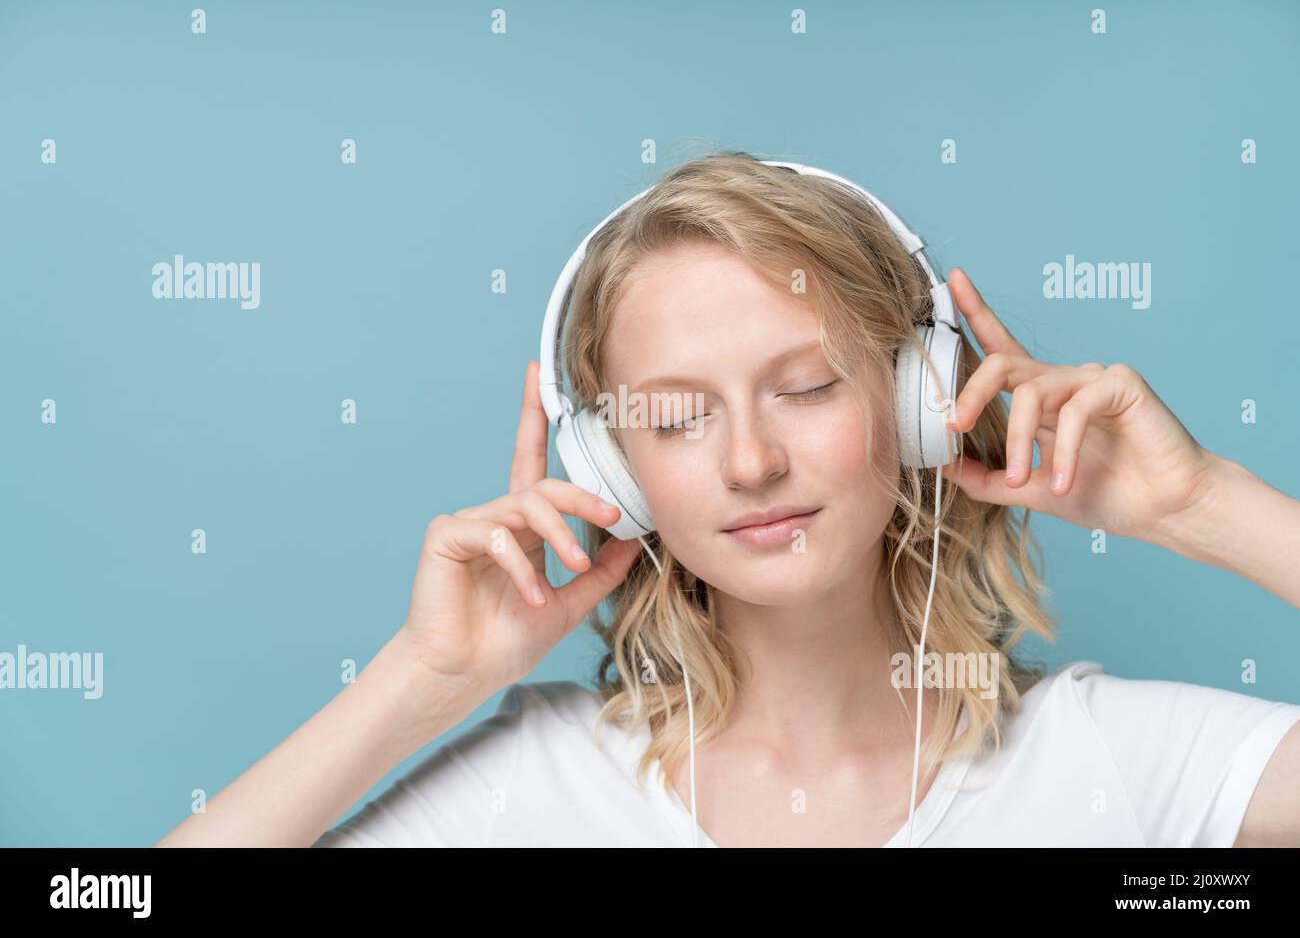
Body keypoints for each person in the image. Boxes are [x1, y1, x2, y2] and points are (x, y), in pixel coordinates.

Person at [156, 152, 1300, 848]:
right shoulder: (532, 786)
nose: (750, 462)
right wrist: (421, 683)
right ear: (611, 469)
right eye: (673, 417)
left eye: (805, 387)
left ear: (914, 405)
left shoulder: (1109, 765)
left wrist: (1208, 507)